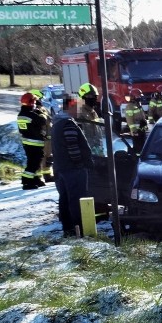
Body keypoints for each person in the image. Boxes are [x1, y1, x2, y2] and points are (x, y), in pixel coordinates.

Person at [51, 97, 94, 237]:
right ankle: (79, 230)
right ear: (70, 106)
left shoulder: (57, 123)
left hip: (61, 169)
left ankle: (68, 230)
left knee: (64, 200)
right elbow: (73, 148)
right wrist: (80, 164)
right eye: (77, 107)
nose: (79, 110)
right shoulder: (68, 124)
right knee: (77, 201)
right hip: (73, 170)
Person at [17, 92, 49, 189]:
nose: (35, 104)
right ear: (31, 103)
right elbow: (43, 120)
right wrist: (40, 112)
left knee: (32, 162)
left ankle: (35, 179)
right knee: (34, 163)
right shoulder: (31, 114)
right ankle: (26, 181)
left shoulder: (21, 115)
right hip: (35, 143)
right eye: (34, 102)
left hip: (27, 143)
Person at [29, 89, 54, 182]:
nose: (41, 100)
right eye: (39, 98)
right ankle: (38, 177)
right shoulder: (33, 111)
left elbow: (48, 121)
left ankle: (47, 175)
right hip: (40, 139)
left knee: (48, 157)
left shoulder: (43, 109)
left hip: (48, 138)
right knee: (40, 159)